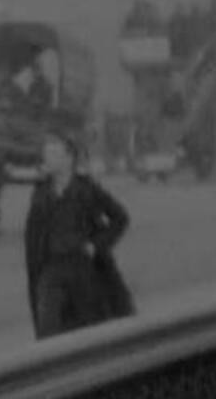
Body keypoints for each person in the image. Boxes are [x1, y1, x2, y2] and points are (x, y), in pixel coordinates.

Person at [24, 132, 134, 340]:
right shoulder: (40, 194)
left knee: (89, 330)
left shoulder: (86, 189)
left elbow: (120, 218)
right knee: (48, 330)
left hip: (82, 268)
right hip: (51, 271)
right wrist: (37, 272)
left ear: (69, 159)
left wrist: (96, 246)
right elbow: (32, 240)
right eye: (46, 154)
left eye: (54, 154)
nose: (47, 159)